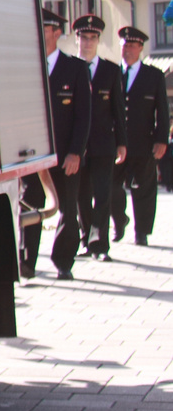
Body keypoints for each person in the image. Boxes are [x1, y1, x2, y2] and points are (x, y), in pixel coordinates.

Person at [22, 8, 90, 280]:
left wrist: (76, 152)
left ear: (57, 33)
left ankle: (63, 260)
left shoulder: (75, 68)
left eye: (44, 28)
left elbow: (83, 116)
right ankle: (27, 262)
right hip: (33, 156)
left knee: (67, 209)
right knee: (31, 206)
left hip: (65, 156)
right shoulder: (28, 65)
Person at [72, 14, 126, 260]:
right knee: (82, 196)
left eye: (93, 38)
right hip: (77, 146)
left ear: (98, 41)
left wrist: (122, 143)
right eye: (84, 37)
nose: (88, 42)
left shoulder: (111, 71)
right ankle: (86, 239)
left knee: (103, 194)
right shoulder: (69, 68)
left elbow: (118, 110)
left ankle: (100, 244)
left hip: (104, 144)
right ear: (77, 39)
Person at [112, 25, 168, 246]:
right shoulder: (112, 73)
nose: (128, 50)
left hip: (143, 142)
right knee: (111, 187)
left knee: (143, 188)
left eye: (132, 46)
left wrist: (161, 139)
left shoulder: (153, 75)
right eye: (125, 45)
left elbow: (162, 110)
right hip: (115, 143)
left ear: (141, 48)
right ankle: (119, 221)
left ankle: (141, 231)